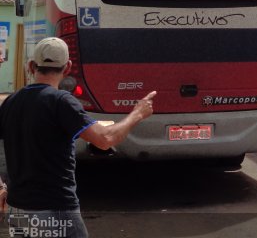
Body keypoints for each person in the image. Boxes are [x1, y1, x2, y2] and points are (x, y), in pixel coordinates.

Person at [0, 37, 156, 237]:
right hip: (55, 209)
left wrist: (2, 186)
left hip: (18, 209)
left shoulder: (11, 101)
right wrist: (138, 114)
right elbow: (105, 139)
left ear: (31, 66)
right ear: (67, 68)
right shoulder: (61, 101)